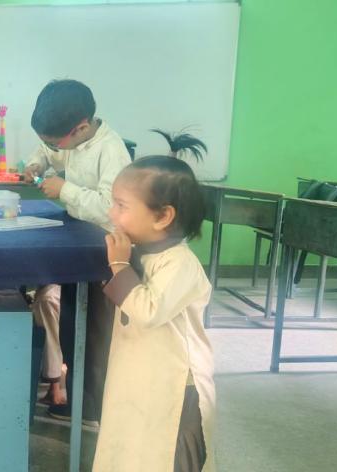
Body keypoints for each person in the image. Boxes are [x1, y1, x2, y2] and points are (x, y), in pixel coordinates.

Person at [94, 151, 215, 471]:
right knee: (133, 445)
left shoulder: (180, 263)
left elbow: (148, 310)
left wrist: (119, 265)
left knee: (163, 453)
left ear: (162, 216)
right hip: (143, 375)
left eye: (121, 205)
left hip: (175, 386)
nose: (111, 212)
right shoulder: (143, 252)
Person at [24, 79, 131, 422]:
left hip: (105, 253)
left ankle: (93, 406)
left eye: (54, 140)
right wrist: (37, 164)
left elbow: (108, 209)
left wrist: (64, 190)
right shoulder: (72, 139)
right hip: (78, 242)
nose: (52, 146)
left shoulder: (111, 150)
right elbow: (49, 152)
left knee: (96, 332)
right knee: (71, 321)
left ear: (81, 127)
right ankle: (73, 387)